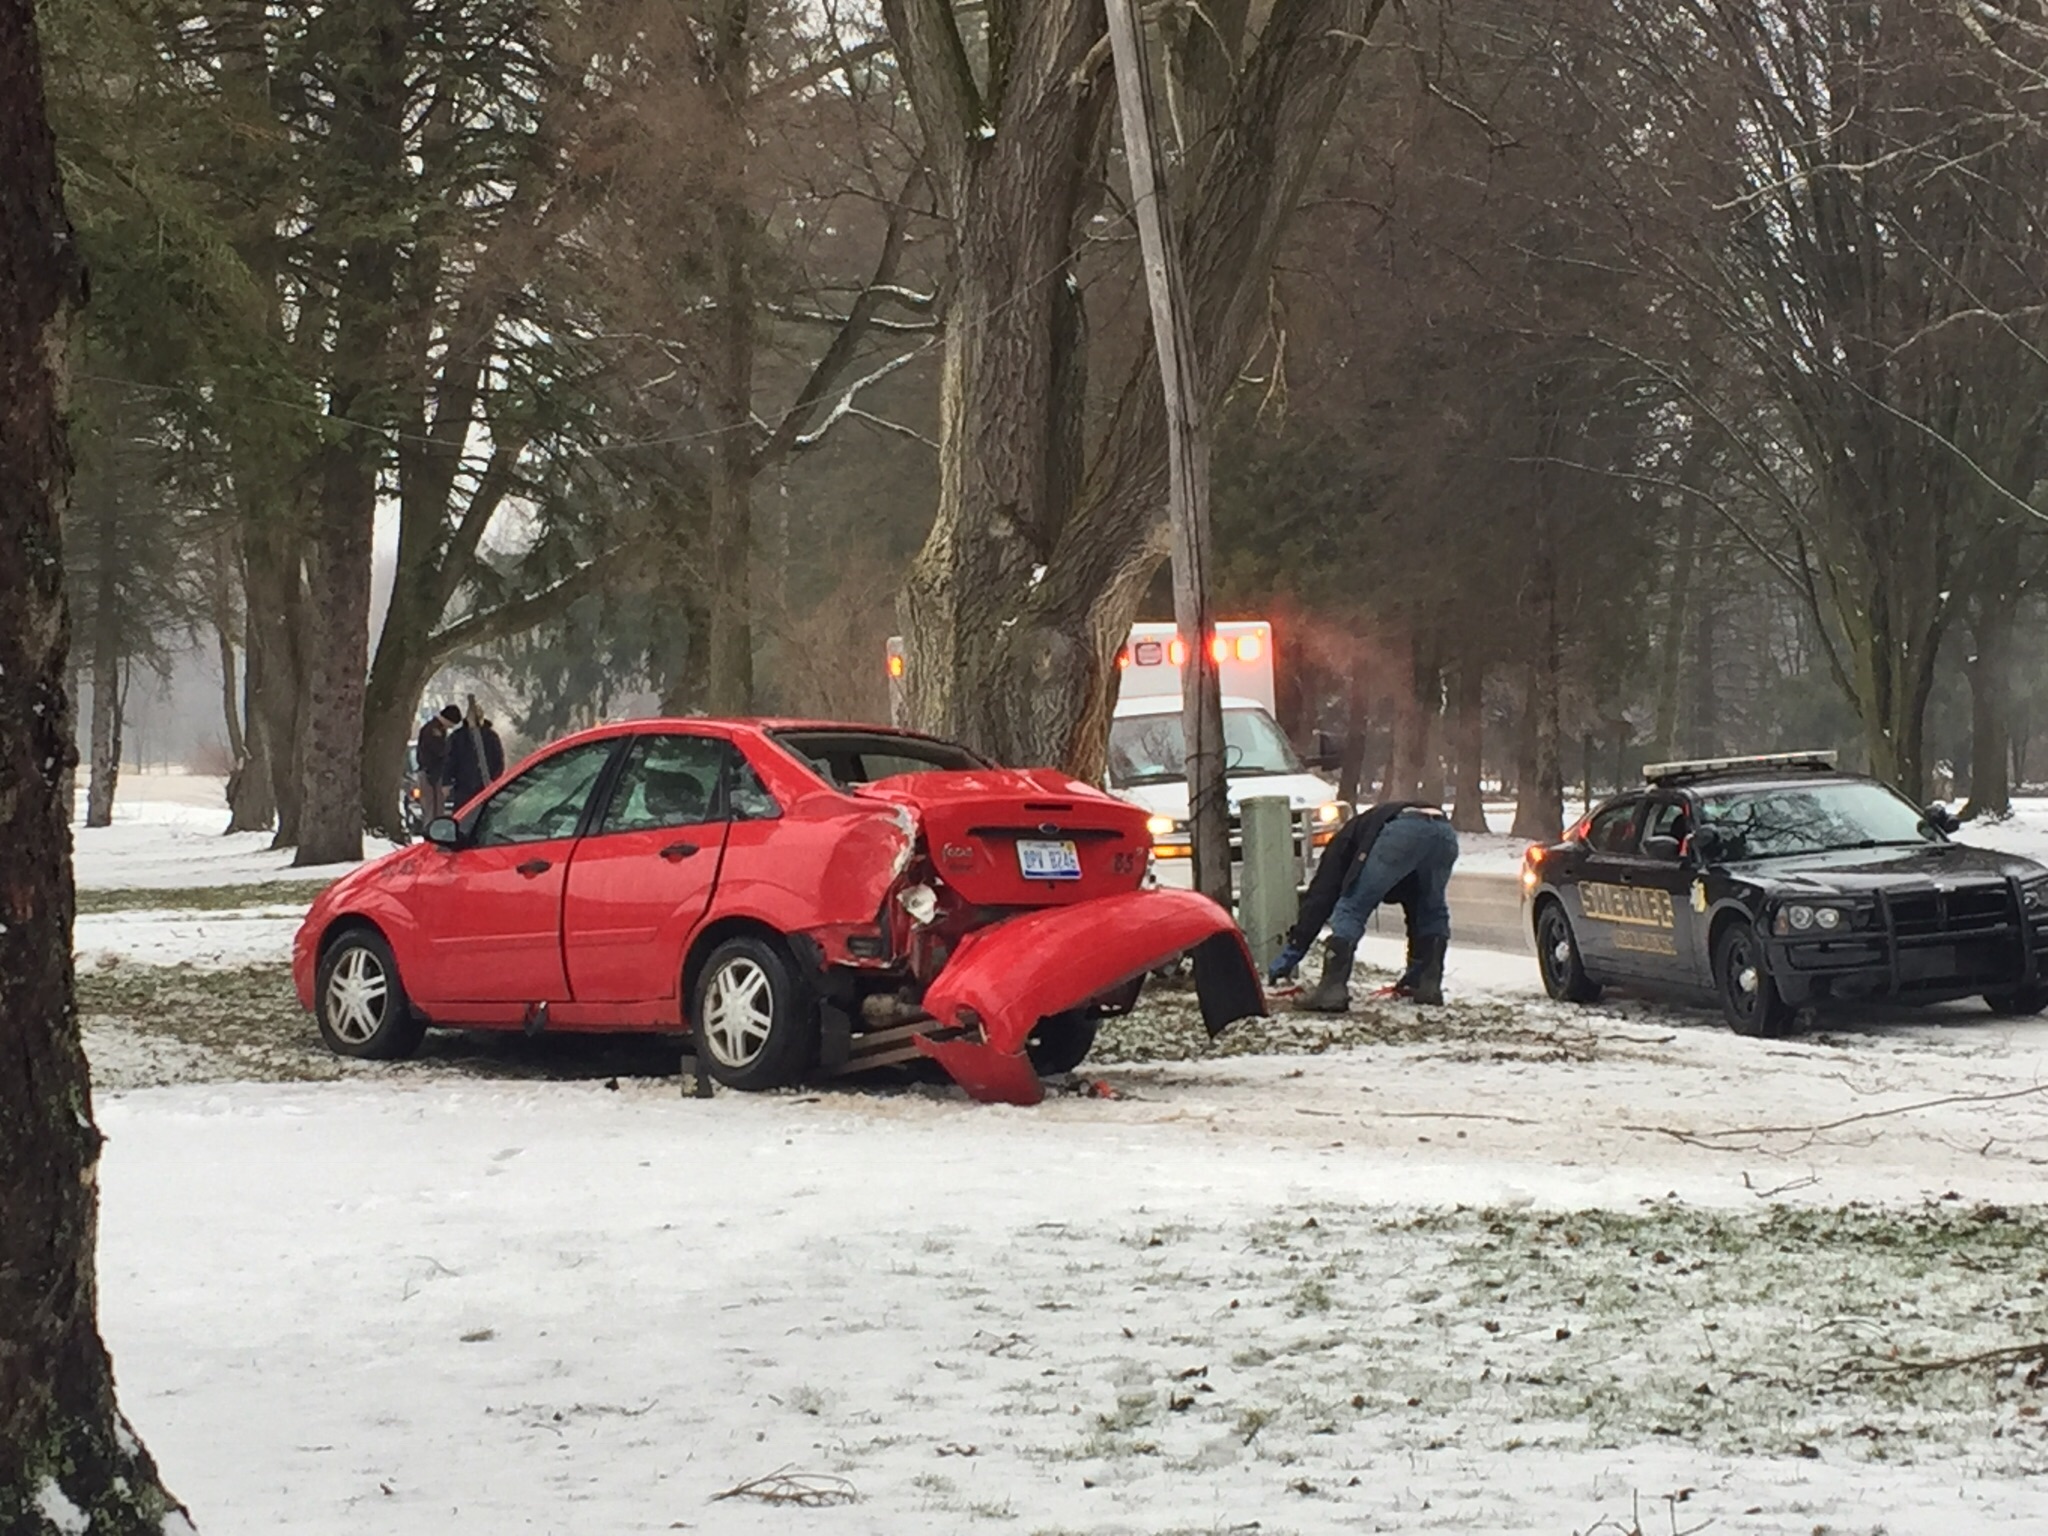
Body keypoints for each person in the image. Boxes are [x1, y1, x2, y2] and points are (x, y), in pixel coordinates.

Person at [1268, 799, 1460, 1011]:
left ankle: (1331, 990)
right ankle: (1427, 986)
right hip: (1444, 832)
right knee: (1431, 909)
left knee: (1351, 907)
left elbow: (1321, 897)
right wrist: (1415, 973)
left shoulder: (1342, 844)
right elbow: (1417, 913)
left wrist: (1292, 953)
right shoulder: (1368, 834)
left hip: (1402, 830)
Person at [444, 700, 505, 812]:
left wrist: (494, 781)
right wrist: (446, 781)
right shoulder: (458, 737)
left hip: (485, 786)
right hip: (464, 787)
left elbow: (498, 761)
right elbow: (450, 761)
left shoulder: (491, 737)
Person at [415, 704, 461, 823]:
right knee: (433, 809)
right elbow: (439, 751)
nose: (451, 727)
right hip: (431, 773)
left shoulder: (435, 728)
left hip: (431, 772)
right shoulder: (434, 730)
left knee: (435, 808)